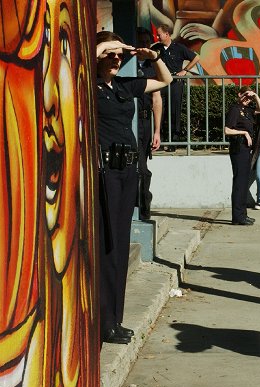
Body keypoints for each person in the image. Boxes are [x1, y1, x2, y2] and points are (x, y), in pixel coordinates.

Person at [95, 31, 172, 345]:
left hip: (128, 171)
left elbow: (165, 80)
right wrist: (104, 46)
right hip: (106, 173)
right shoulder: (87, 86)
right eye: (110, 55)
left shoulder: (124, 86)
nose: (116, 59)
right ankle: (104, 322)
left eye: (118, 55)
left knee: (122, 245)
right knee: (107, 246)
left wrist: (152, 56)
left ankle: (115, 319)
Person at [152, 23, 201, 148]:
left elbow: (196, 58)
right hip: (161, 82)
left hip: (175, 83)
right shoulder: (156, 48)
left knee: (174, 111)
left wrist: (185, 70)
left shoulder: (179, 47)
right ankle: (160, 140)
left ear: (167, 34)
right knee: (159, 111)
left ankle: (173, 141)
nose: (157, 37)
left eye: (159, 35)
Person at [225, 86, 260, 225]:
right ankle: (237, 216)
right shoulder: (234, 109)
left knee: (243, 183)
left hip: (246, 149)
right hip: (238, 148)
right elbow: (227, 130)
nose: (247, 100)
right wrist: (244, 133)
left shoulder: (247, 110)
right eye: (245, 96)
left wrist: (255, 96)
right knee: (239, 183)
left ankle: (242, 214)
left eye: (249, 98)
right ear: (239, 94)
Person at [136, 27, 164, 220]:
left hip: (145, 122)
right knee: (139, 169)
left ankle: (144, 210)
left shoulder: (150, 67)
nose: (146, 44)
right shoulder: (122, 63)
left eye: (148, 41)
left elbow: (157, 99)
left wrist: (157, 131)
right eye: (142, 41)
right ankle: (138, 207)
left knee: (143, 167)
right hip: (129, 121)